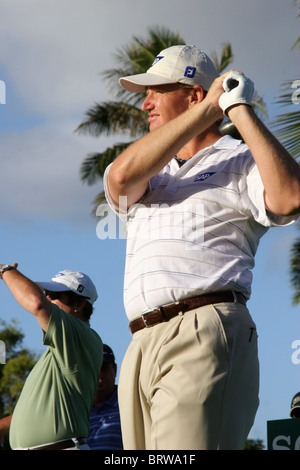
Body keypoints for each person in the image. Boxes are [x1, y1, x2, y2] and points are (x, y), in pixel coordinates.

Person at [103, 45, 300, 450]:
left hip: (203, 328)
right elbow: (120, 179)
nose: (146, 103)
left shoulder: (242, 159)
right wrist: (211, 108)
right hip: (140, 342)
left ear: (194, 95)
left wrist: (234, 106)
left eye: (158, 90)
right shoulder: (150, 173)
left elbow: (290, 196)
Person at [0, 265, 103, 450]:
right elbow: (37, 413)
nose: (47, 298)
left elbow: (37, 304)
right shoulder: (61, 350)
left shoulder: (82, 337)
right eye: (46, 293)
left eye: (54, 295)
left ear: (79, 304)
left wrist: (3, 269)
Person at [87, 344, 123, 450]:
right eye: (95, 368)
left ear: (115, 370)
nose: (100, 374)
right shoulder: (77, 411)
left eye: (104, 368)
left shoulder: (129, 404)